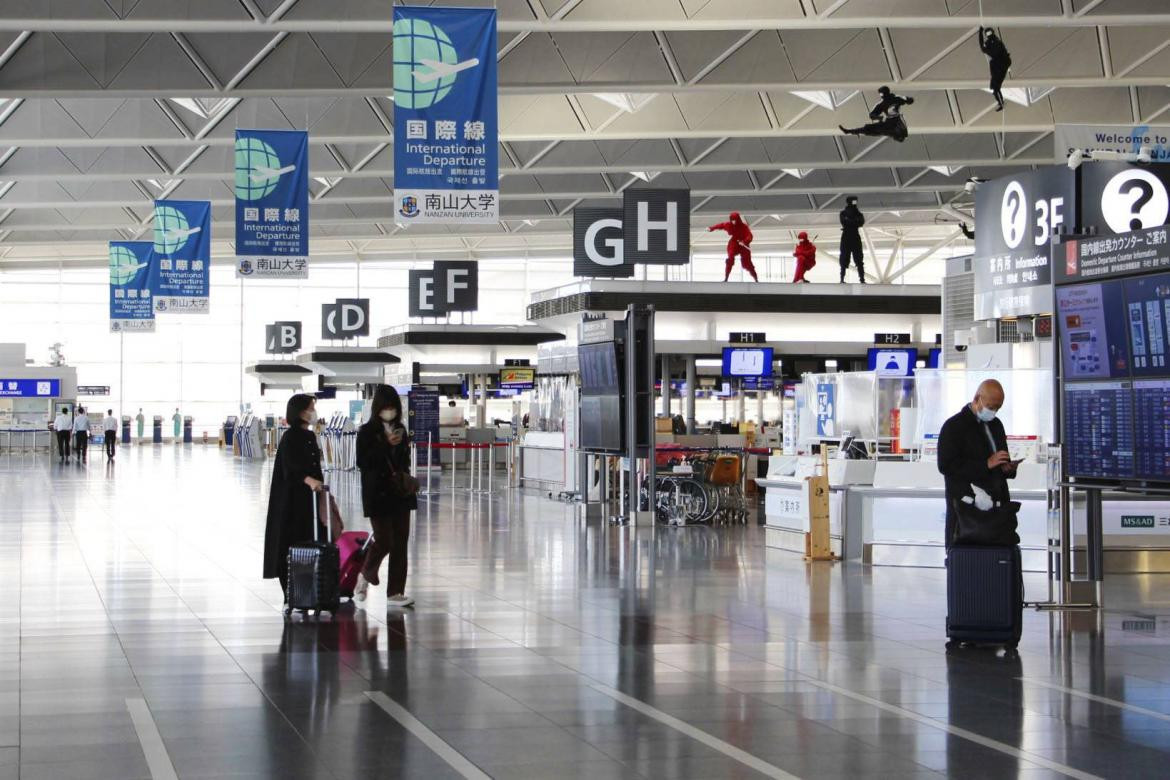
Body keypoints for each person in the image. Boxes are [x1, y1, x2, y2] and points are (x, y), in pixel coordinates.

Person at [354, 385, 417, 609]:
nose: (389, 411)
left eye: (393, 407)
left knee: (400, 543)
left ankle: (396, 592)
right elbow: (363, 462)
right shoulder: (366, 432)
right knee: (384, 539)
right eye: (386, 407)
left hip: (399, 493)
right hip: (377, 493)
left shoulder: (401, 429)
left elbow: (404, 460)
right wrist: (384, 444)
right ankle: (365, 576)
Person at [937, 379, 1017, 548]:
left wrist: (1007, 468)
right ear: (977, 399)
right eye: (990, 406)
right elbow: (945, 465)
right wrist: (985, 464)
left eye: (998, 407)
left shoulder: (996, 425)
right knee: (967, 559)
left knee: (997, 556)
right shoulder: (954, 426)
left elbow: (999, 458)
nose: (993, 411)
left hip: (997, 506)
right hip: (967, 510)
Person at [263, 394, 325, 605]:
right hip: (290, 501)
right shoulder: (290, 437)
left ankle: (306, 592)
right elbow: (291, 468)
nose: (313, 412)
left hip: (309, 499)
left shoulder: (309, 436)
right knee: (289, 544)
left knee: (308, 542)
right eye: (311, 408)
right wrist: (309, 481)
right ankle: (291, 592)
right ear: (300, 412)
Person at [839, 86, 914, 142]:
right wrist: (879, 118)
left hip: (895, 122)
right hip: (890, 123)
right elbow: (872, 115)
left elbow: (872, 115)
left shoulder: (888, 101)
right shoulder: (892, 100)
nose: (881, 95)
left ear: (882, 94)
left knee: (868, 129)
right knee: (868, 128)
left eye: (880, 94)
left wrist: (878, 118)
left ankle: (850, 131)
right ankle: (849, 131)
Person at [708, 211, 758, 282]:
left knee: (747, 263)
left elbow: (750, 235)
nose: (733, 222)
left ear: (738, 219)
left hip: (744, 244)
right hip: (734, 242)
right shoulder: (729, 225)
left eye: (735, 220)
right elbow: (721, 225)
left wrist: (745, 241)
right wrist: (711, 228)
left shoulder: (744, 227)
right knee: (730, 257)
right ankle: (726, 277)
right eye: (732, 220)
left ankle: (756, 278)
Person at [979, 27, 1012, 112]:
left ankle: (1001, 102)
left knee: (995, 87)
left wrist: (980, 33)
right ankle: (1000, 101)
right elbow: (983, 47)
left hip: (1001, 65)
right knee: (995, 87)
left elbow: (984, 48)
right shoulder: (993, 43)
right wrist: (980, 33)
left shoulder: (996, 43)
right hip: (1000, 66)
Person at [839, 196, 866, 283]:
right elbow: (846, 222)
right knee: (844, 258)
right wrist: (855, 221)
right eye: (854, 201)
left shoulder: (858, 213)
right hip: (849, 236)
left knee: (859, 259)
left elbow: (861, 222)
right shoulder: (844, 213)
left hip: (852, 236)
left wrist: (850, 220)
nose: (855, 203)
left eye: (855, 201)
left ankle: (862, 279)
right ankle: (842, 279)